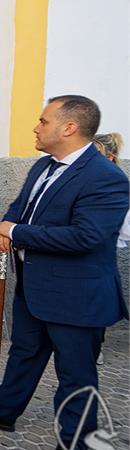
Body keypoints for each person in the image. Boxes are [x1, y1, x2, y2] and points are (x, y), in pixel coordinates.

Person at [0, 95, 129, 450]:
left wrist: (16, 232)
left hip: (76, 296)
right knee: (24, 355)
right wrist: (7, 228)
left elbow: (85, 237)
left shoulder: (107, 179)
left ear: (69, 127)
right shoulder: (43, 166)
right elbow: (20, 208)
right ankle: (2, 412)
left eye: (43, 120)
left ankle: (75, 448)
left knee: (76, 377)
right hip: (34, 287)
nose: (36, 127)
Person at [93, 132, 128, 366]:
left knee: (95, 299)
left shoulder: (115, 181)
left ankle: (96, 347)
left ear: (110, 157)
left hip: (100, 251)